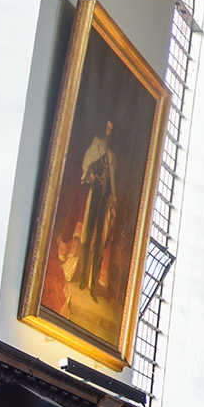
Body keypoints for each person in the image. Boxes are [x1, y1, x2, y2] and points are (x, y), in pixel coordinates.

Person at [74, 120, 118, 298]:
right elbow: (87, 164)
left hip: (104, 201)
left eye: (111, 129)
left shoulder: (112, 157)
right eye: (107, 128)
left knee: (99, 242)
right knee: (87, 236)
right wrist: (90, 175)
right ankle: (83, 278)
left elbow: (113, 180)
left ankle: (93, 286)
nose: (109, 132)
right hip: (94, 195)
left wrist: (114, 200)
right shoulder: (96, 145)